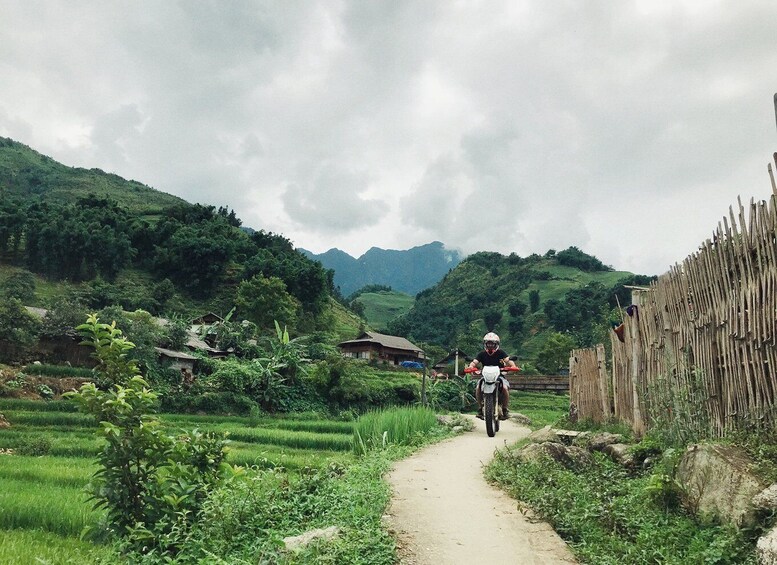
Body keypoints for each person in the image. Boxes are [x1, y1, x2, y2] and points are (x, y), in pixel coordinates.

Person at [469, 332, 515, 420]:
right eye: (488, 343)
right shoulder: (482, 354)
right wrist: (471, 366)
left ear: (496, 344)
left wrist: (513, 366)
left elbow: (508, 359)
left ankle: (505, 409)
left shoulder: (501, 353)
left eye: (492, 343)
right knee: (478, 387)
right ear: (485, 344)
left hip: (499, 376)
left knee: (505, 388)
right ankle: (479, 408)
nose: (490, 345)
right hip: (486, 377)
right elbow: (475, 362)